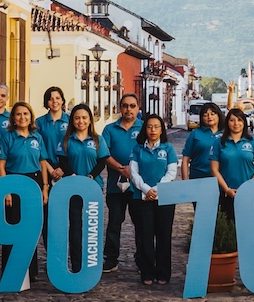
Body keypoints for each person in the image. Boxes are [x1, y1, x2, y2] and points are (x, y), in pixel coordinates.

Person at [0, 100, 50, 289]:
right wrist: (6, 190)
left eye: (26, 114)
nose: (22, 117)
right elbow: (1, 165)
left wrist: (45, 186)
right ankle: (10, 270)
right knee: (13, 228)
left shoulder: (37, 137)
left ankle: (30, 271)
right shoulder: (7, 137)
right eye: (18, 114)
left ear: (31, 117)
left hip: (33, 184)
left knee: (30, 229)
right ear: (13, 118)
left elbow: (42, 164)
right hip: (13, 182)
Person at [129, 113, 180, 286]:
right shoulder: (137, 149)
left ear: (161, 129)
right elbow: (133, 173)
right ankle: (147, 272)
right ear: (145, 129)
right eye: (149, 126)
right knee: (145, 236)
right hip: (141, 198)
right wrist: (145, 189)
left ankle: (163, 273)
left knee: (164, 235)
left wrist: (156, 189)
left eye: (156, 126)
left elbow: (172, 172)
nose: (153, 130)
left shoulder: (168, 149)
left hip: (164, 197)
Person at [56, 103, 105, 273]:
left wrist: (91, 176)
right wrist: (72, 175)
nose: (81, 121)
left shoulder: (97, 139)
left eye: (84, 117)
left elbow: (102, 161)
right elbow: (62, 161)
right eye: (77, 118)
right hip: (72, 188)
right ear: (72, 121)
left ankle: (92, 265)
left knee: (92, 229)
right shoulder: (66, 140)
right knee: (75, 227)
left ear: (90, 120)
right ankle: (76, 265)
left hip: (93, 188)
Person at [98, 91, 143, 274]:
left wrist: (132, 171)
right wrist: (120, 168)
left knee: (141, 223)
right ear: (120, 108)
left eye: (132, 106)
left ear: (138, 108)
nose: (128, 109)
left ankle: (143, 258)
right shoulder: (109, 129)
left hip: (139, 186)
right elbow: (104, 154)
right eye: (125, 106)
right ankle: (111, 259)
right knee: (114, 222)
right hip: (115, 185)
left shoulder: (143, 127)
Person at [211, 106, 254, 223]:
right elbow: (214, 170)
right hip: (225, 193)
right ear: (227, 122)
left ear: (244, 123)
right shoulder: (219, 143)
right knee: (227, 229)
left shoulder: (253, 142)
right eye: (232, 120)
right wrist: (227, 189)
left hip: (249, 194)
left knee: (247, 227)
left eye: (239, 120)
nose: (236, 123)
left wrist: (248, 189)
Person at [181, 101, 221, 180]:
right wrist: (185, 182)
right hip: (198, 178)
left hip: (221, 179)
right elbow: (185, 160)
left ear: (219, 115)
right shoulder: (195, 133)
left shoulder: (225, 134)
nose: (209, 117)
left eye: (212, 114)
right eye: (205, 115)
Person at [38, 86, 68, 175]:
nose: (55, 101)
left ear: (62, 100)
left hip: (67, 167)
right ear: (46, 102)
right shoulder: (39, 122)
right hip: (45, 167)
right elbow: (38, 149)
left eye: (58, 98)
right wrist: (51, 170)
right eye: (50, 99)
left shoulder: (71, 121)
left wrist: (63, 168)